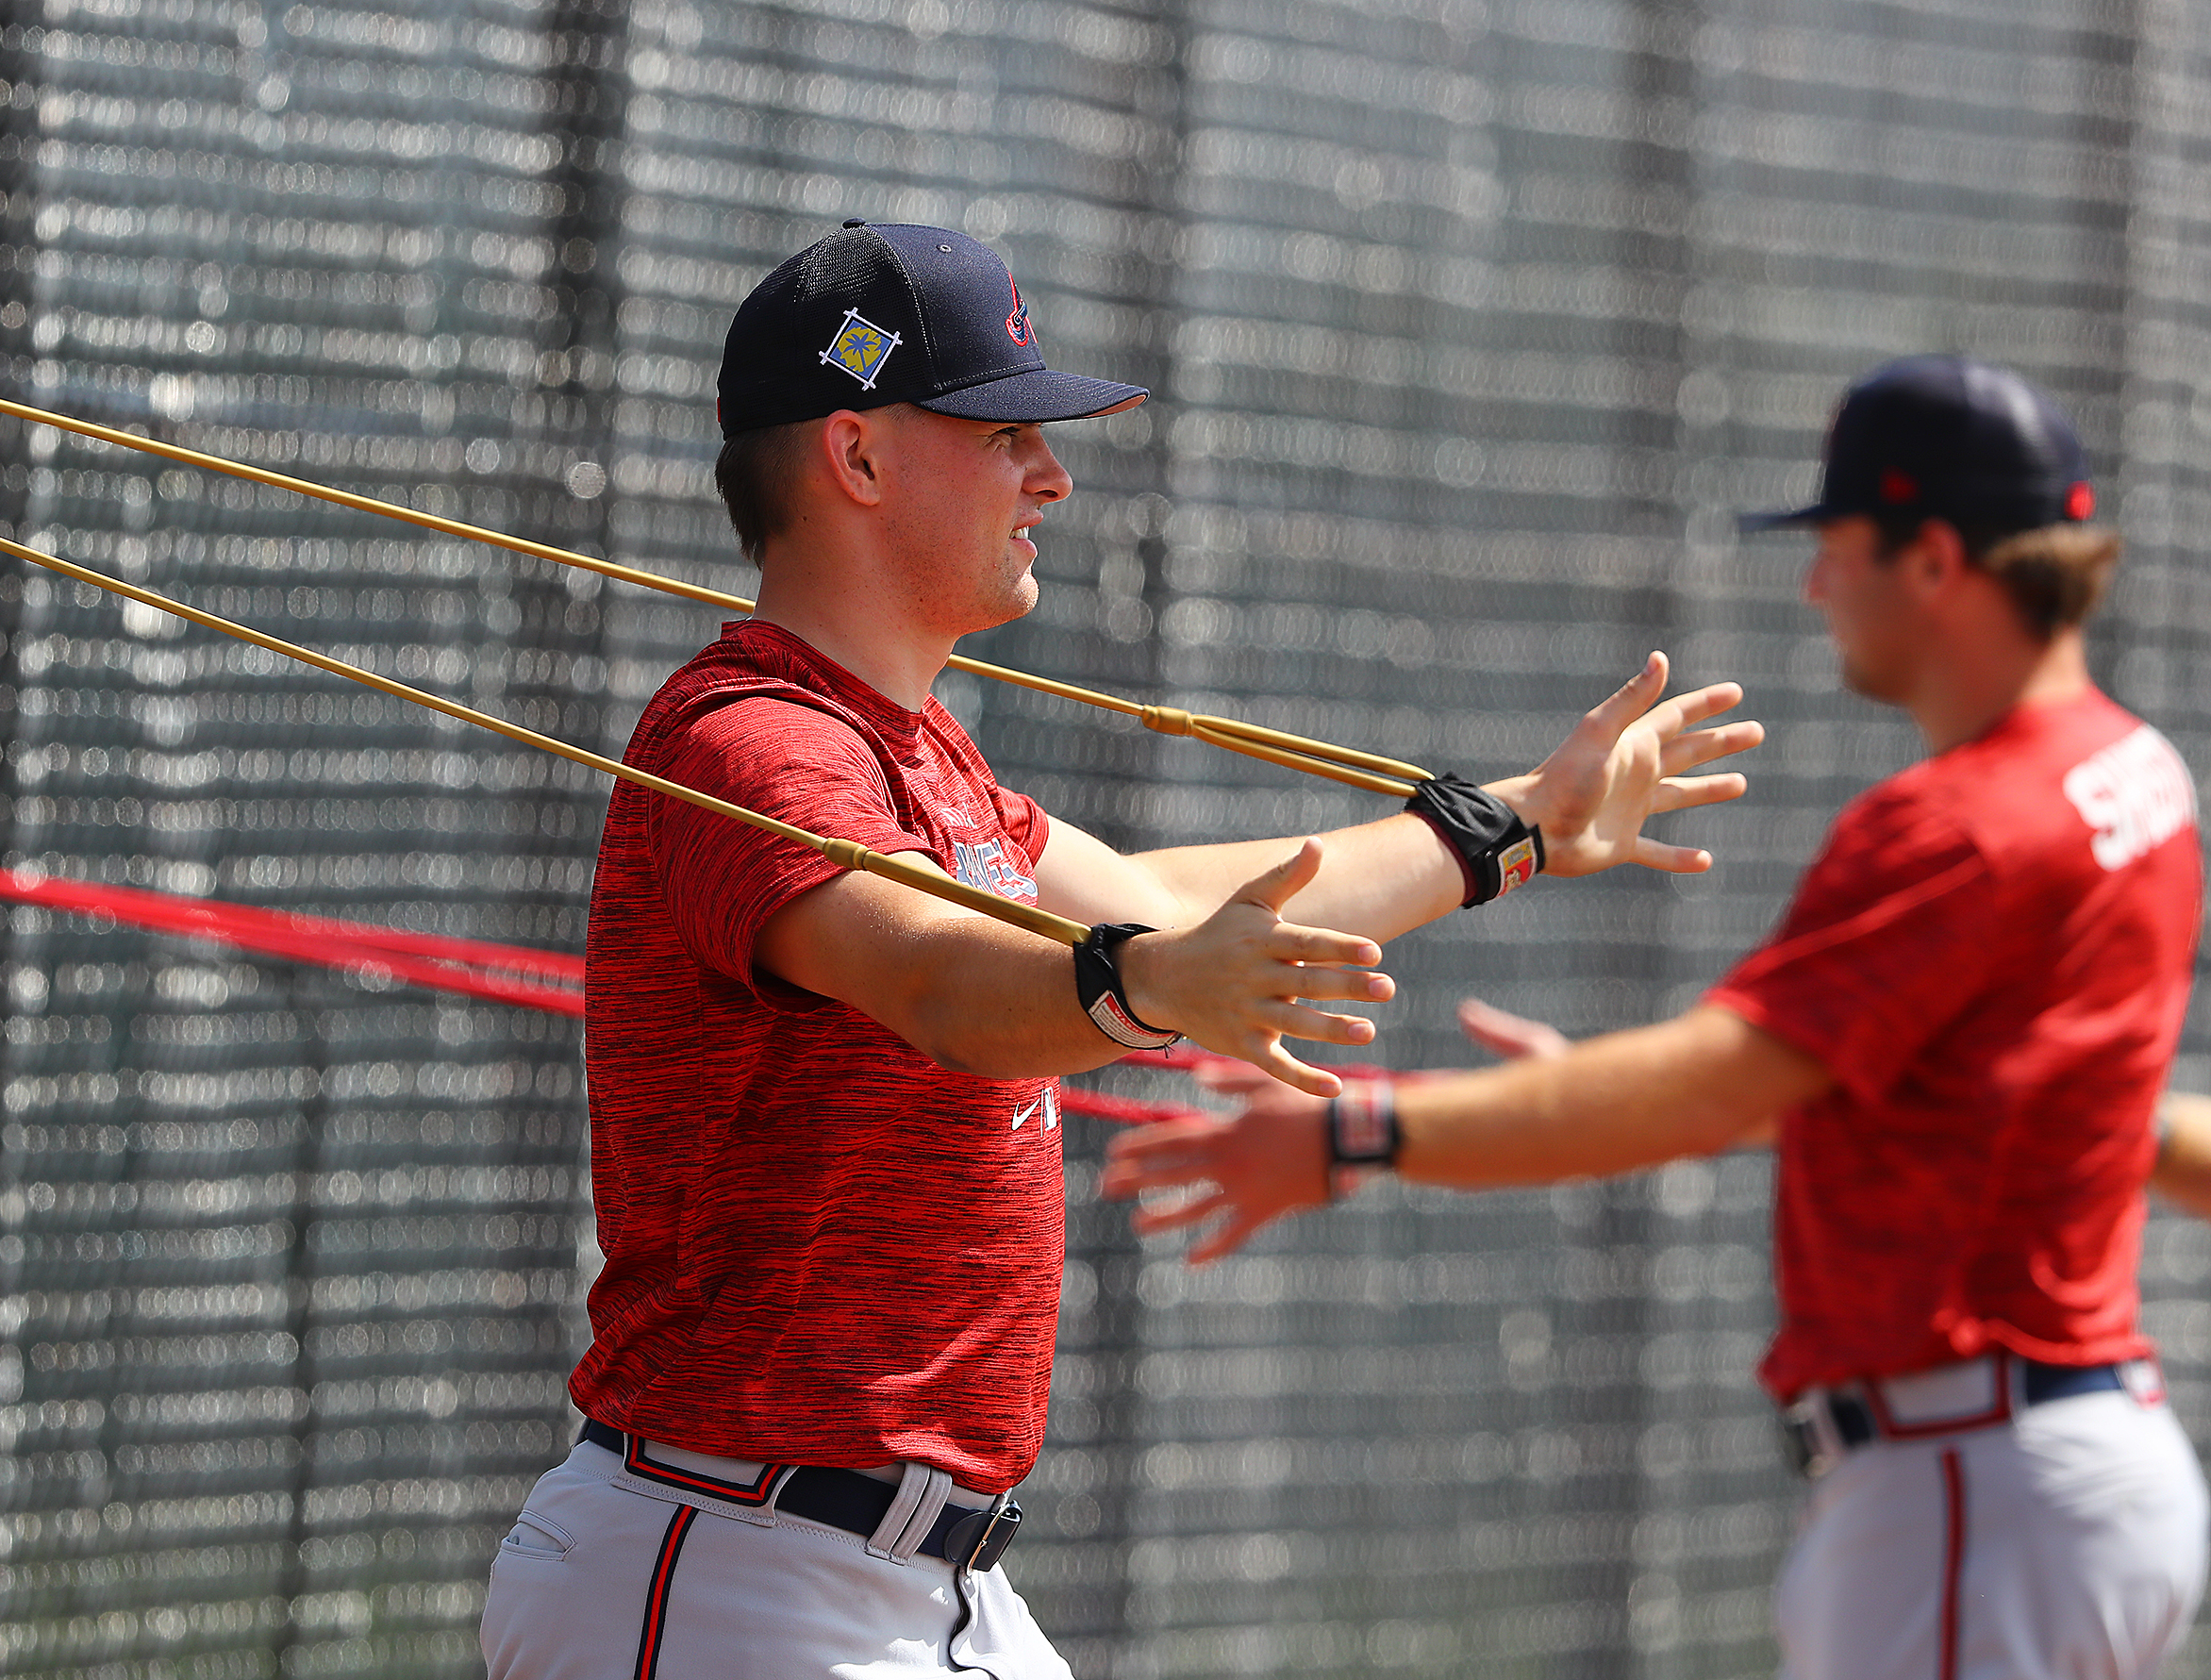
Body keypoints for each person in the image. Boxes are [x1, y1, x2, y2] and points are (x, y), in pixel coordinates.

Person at [477, 219, 1760, 1680]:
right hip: (733, 1572)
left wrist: (1515, 825)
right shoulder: (748, 741)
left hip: (903, 1582)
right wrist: (1141, 985)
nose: (1052, 473)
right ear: (857, 454)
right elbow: (943, 981)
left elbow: (1174, 895)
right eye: (1003, 428)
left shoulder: (914, 750)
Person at [1104, 355, 2206, 1680]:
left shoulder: (1966, 823)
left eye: (1837, 544)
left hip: (1975, 1480)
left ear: (1934, 560)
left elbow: (1717, 1086)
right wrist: (1606, 1084)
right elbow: (1985, 1102)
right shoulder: (2136, 774)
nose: (1814, 584)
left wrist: (1356, 1133)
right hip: (2073, 1468)